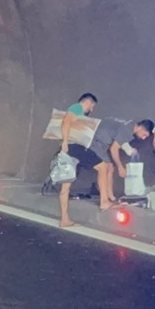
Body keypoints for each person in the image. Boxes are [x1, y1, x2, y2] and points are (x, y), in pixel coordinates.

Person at [90, 118, 153, 209]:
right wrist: (120, 167)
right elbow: (114, 148)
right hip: (96, 142)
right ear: (141, 128)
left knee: (110, 167)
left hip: (98, 140)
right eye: (144, 135)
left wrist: (130, 150)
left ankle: (110, 196)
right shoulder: (128, 130)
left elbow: (119, 140)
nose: (143, 138)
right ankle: (105, 200)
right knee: (106, 167)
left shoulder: (129, 124)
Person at [58, 93, 99, 227]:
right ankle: (105, 201)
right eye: (92, 106)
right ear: (88, 102)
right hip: (73, 147)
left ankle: (65, 218)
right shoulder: (76, 108)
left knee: (67, 183)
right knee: (103, 166)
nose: (91, 109)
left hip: (72, 147)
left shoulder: (78, 112)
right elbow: (66, 122)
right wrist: (65, 142)